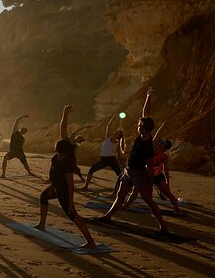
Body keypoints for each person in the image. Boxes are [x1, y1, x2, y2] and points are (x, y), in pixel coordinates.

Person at [99, 88, 170, 236]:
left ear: (143, 127)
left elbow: (150, 163)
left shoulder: (148, 143)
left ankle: (163, 226)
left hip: (139, 174)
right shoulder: (142, 135)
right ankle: (108, 216)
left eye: (139, 125)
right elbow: (146, 113)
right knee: (120, 194)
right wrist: (148, 97)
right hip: (129, 171)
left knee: (149, 201)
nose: (137, 127)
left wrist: (150, 179)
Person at [34, 105, 96, 248]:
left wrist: (70, 202)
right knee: (43, 197)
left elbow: (70, 184)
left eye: (61, 153)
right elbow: (63, 128)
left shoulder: (68, 161)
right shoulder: (62, 148)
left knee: (72, 215)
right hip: (55, 186)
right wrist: (64, 113)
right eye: (57, 152)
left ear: (67, 152)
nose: (58, 154)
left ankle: (91, 242)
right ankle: (42, 224)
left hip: (63, 190)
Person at [82, 112, 125, 191]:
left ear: (119, 137)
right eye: (116, 132)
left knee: (120, 175)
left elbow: (118, 154)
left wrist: (121, 163)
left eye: (118, 134)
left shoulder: (117, 143)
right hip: (103, 159)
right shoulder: (108, 137)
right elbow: (109, 125)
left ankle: (120, 189)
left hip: (112, 160)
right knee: (92, 170)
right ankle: (86, 186)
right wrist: (114, 116)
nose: (116, 133)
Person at [0, 114, 36, 178]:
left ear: (24, 132)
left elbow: (22, 145)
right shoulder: (14, 132)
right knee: (5, 158)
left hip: (18, 151)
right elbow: (17, 120)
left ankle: (29, 172)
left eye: (24, 130)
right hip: (13, 151)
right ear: (20, 130)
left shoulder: (22, 138)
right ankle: (3, 174)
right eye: (23, 129)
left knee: (24, 163)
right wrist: (23, 116)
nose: (22, 130)